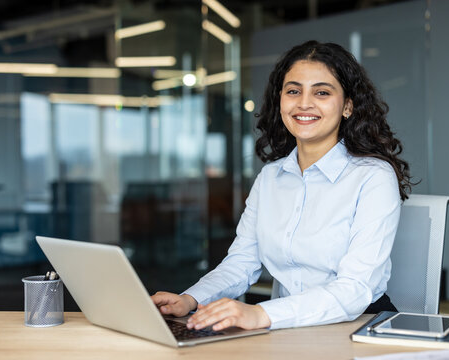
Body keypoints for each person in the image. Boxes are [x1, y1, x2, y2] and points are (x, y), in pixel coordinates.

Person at [152, 40, 413, 331]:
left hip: (357, 325)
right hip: (286, 327)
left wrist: (260, 314)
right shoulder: (270, 178)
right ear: (281, 101)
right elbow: (241, 263)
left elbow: (355, 289)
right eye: (293, 91)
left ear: (348, 106)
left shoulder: (373, 176)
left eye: (322, 92)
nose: (304, 103)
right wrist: (190, 299)